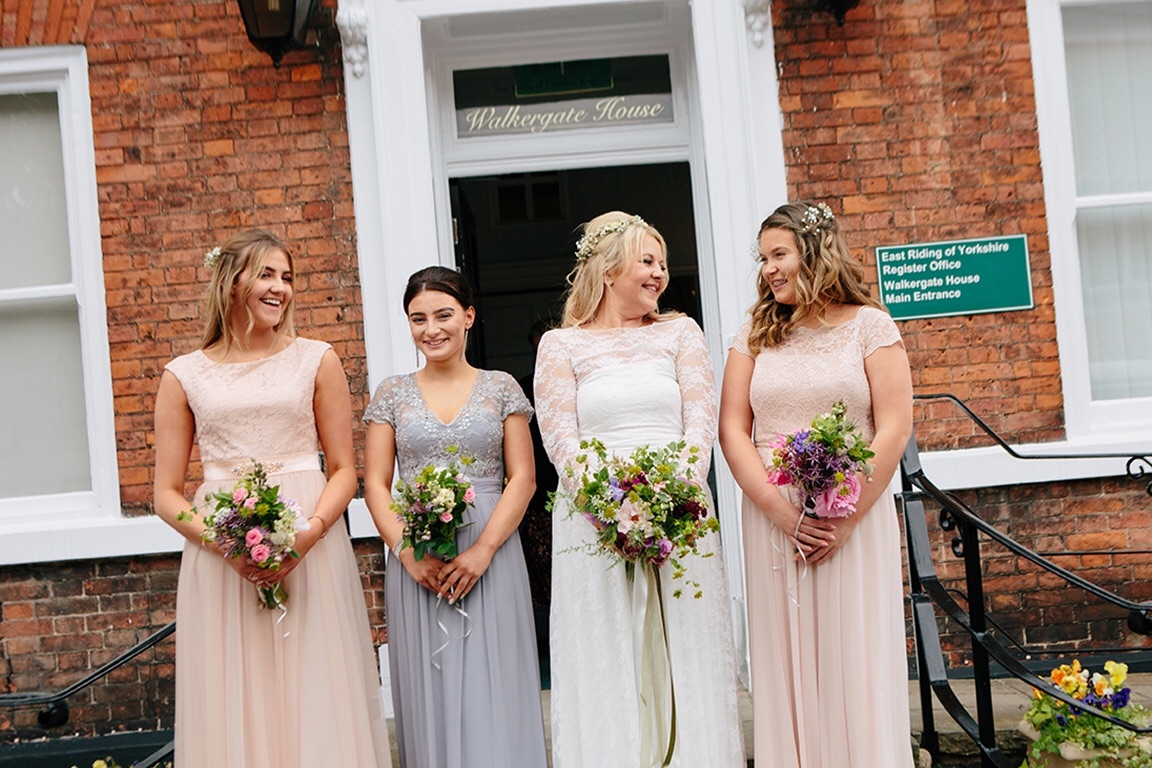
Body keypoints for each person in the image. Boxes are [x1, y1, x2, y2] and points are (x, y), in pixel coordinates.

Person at [152, 229, 391, 768]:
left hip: (311, 540)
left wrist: (308, 533)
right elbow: (165, 494)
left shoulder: (316, 359)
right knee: (235, 690)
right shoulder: (183, 375)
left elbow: (345, 470)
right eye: (266, 274)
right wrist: (227, 545)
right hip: (222, 553)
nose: (280, 288)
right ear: (232, 282)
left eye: (287, 277)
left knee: (315, 684)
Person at [534, 211, 745, 768]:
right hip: (591, 519)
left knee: (685, 647)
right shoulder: (561, 345)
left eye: (663, 264)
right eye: (646, 261)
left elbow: (700, 427)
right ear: (608, 270)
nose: (659, 274)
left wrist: (668, 502)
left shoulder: (682, 333)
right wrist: (613, 509)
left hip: (679, 511)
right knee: (607, 648)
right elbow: (560, 439)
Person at [718, 201, 914, 767]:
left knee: (853, 653)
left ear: (817, 251)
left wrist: (846, 516)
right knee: (788, 662)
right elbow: (733, 429)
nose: (768, 269)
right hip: (774, 516)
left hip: (852, 513)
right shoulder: (753, 334)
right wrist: (783, 516)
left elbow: (895, 424)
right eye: (762, 259)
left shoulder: (871, 326)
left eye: (779, 254)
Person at [363, 266, 547, 768]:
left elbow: (523, 479)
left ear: (468, 316)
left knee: (497, 677)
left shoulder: (501, 386)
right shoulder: (391, 394)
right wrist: (406, 554)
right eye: (417, 318)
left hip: (492, 549)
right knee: (432, 681)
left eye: (444, 314)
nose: (431, 329)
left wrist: (483, 551)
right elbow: (376, 484)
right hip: (419, 556)